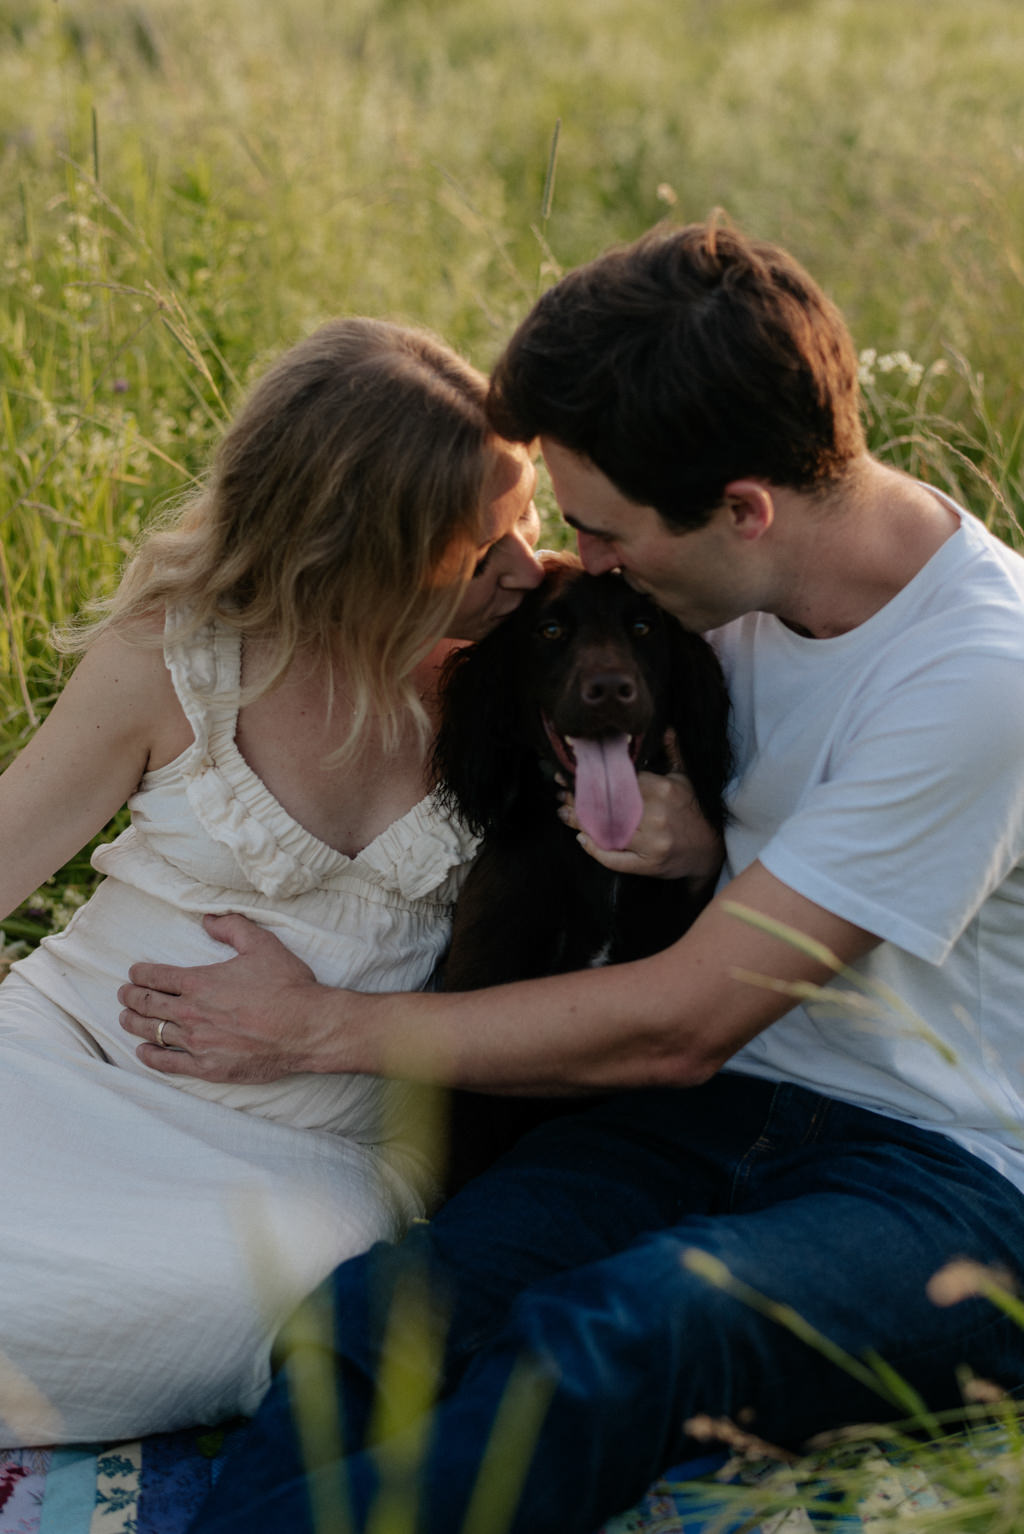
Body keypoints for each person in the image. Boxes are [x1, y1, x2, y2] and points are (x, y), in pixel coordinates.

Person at [122, 223, 1024, 1534]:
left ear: (745, 509)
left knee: (620, 1329)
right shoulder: (731, 587)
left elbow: (685, 1018)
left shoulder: (980, 678)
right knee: (381, 1318)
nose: (577, 563)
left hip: (943, 1180)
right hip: (723, 1117)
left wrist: (321, 1025)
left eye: (596, 531)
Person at [0, 316, 546, 1447]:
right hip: (60, 1064)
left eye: (527, 520)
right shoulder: (177, 650)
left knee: (262, 1297)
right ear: (359, 555)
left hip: (308, 1161)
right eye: (480, 548)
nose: (525, 569)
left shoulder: (526, 677)